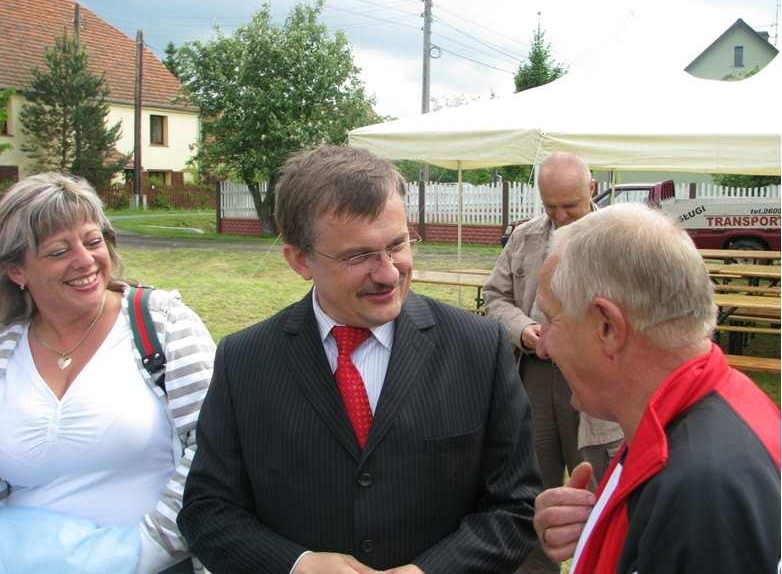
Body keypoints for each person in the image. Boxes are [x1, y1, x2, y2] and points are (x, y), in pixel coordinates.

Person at [178, 145, 541, 573]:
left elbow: (516, 506)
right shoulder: (245, 360)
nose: (388, 272)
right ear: (299, 260)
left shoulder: (478, 347)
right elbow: (206, 509)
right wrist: (297, 566)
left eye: (398, 245)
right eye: (358, 256)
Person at [533, 203, 780, 573]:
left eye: (550, 320)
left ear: (608, 328)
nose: (541, 345)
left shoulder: (700, 493)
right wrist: (607, 530)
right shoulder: (701, 408)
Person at [0, 173, 215, 573]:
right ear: (17, 272)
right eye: (58, 251)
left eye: (93, 240)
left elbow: (214, 446)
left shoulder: (161, 324)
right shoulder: (6, 350)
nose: (85, 260)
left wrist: (141, 552)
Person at [483, 152, 623, 572]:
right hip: (535, 382)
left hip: (599, 388)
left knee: (599, 497)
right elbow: (495, 297)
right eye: (551, 206)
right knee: (531, 494)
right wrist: (525, 330)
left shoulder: (619, 240)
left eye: (570, 205)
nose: (560, 216)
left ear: (592, 189)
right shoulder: (525, 236)